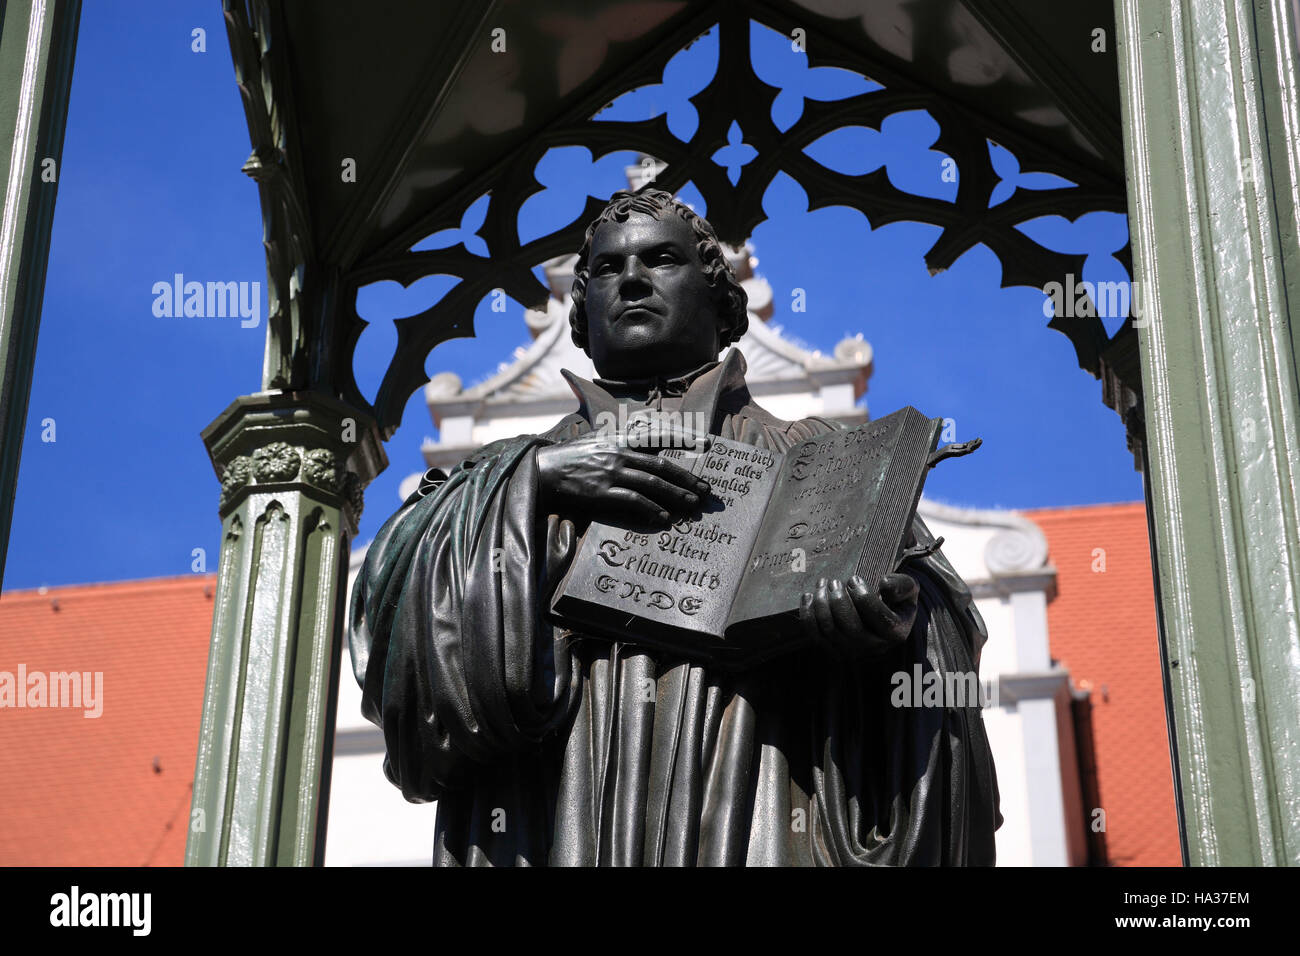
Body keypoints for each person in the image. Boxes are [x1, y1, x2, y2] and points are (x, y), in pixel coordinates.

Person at [349, 188, 1001, 865]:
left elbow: (940, 641)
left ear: (721, 300)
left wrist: (886, 639)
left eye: (661, 260)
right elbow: (390, 636)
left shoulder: (829, 464)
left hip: (761, 798)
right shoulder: (504, 472)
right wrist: (534, 483)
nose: (630, 279)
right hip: (551, 807)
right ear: (582, 311)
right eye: (606, 269)